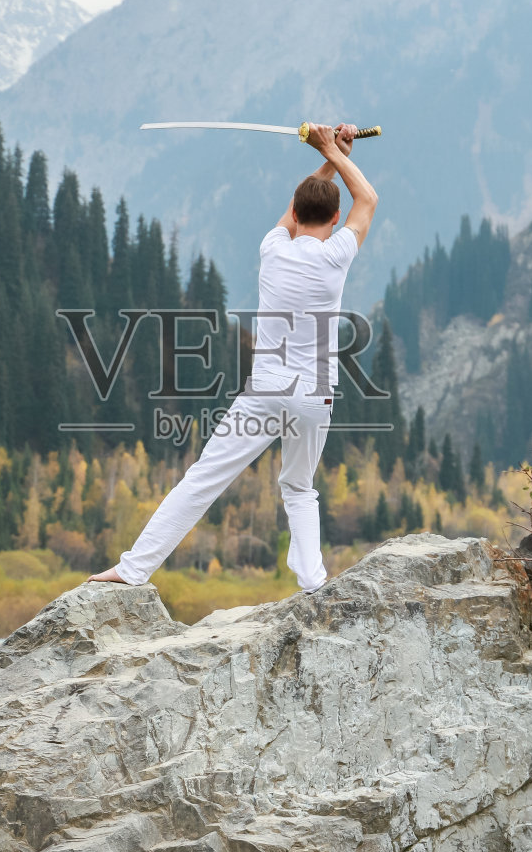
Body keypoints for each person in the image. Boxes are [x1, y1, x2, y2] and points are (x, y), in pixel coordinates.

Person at [88, 122, 379, 590]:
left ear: (298, 213)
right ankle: (312, 583)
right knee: (299, 488)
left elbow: (298, 204)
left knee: (203, 478)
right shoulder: (335, 257)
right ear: (334, 216)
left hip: (264, 393)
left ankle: (132, 569)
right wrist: (338, 153)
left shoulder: (272, 249)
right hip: (313, 396)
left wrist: (327, 155)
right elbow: (368, 200)